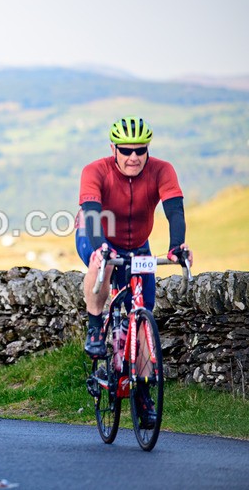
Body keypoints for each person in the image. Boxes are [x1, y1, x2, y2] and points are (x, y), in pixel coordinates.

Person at [76, 116, 193, 428]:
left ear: (147, 150)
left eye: (140, 151)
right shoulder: (95, 171)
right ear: (113, 148)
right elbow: (91, 213)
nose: (133, 157)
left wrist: (177, 246)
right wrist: (101, 247)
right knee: (100, 263)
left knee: (142, 312)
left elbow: (174, 210)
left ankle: (142, 394)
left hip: (136, 243)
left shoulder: (162, 170)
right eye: (126, 150)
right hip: (95, 233)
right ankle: (95, 325)